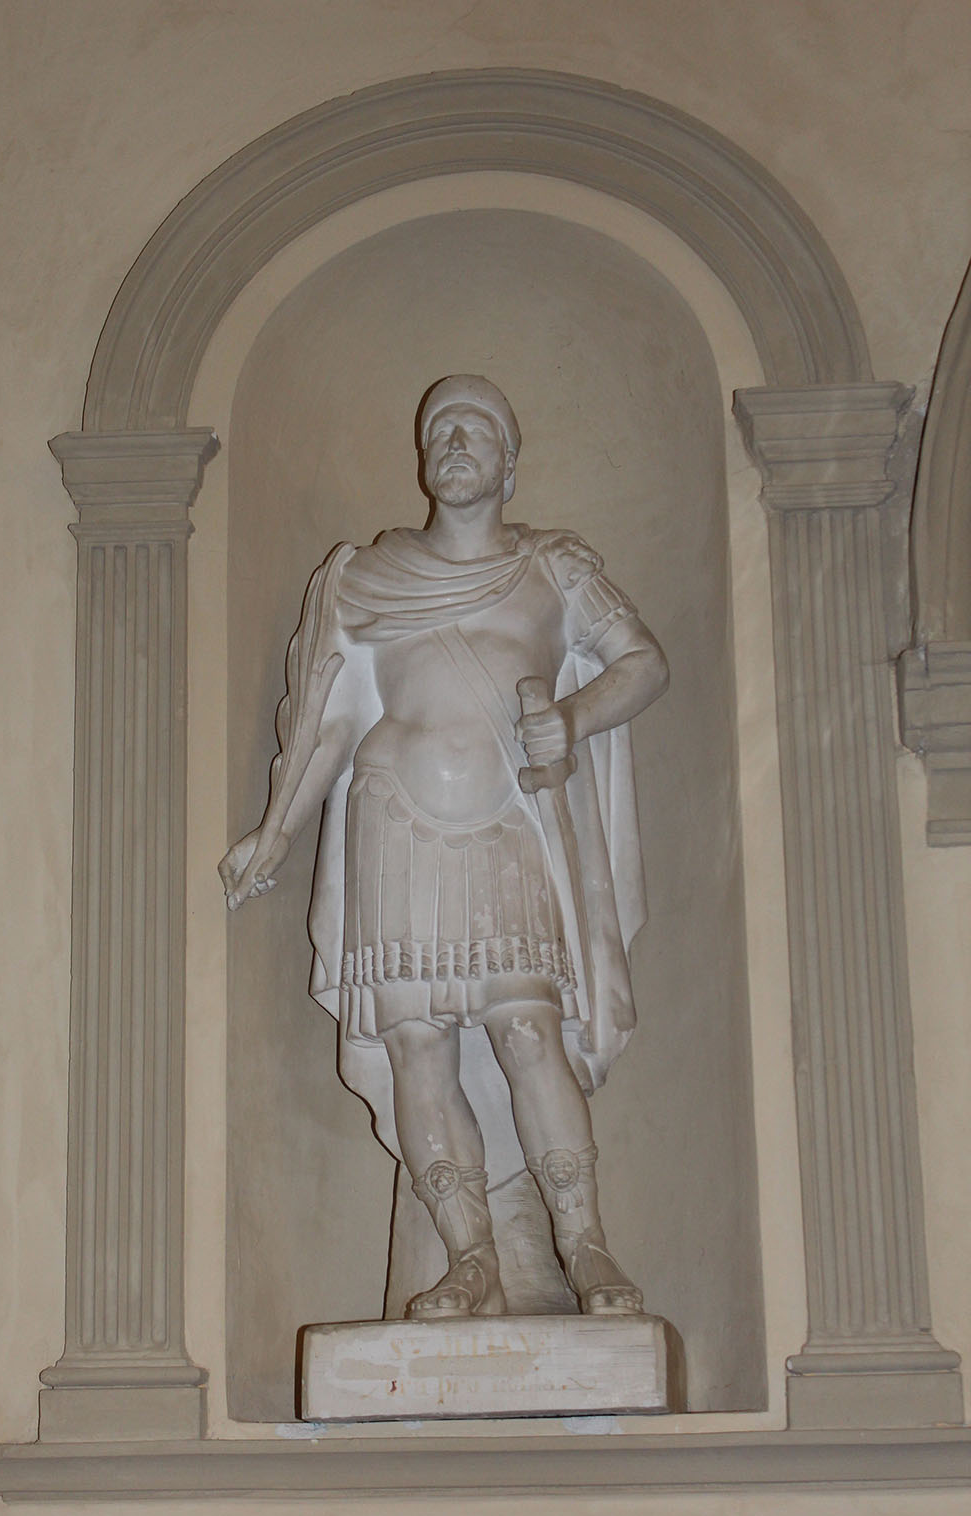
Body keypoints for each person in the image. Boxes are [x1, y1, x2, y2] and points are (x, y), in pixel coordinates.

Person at [221, 376, 668, 1320]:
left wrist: (573, 718)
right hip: (393, 822)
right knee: (418, 1048)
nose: (456, 442)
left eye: (476, 430)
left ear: (510, 463)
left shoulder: (553, 565)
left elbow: (642, 663)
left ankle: (585, 1246)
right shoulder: (364, 578)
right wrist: (276, 831)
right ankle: (471, 1260)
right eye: (440, 430)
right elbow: (329, 723)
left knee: (528, 1029)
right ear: (424, 457)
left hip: (507, 824)